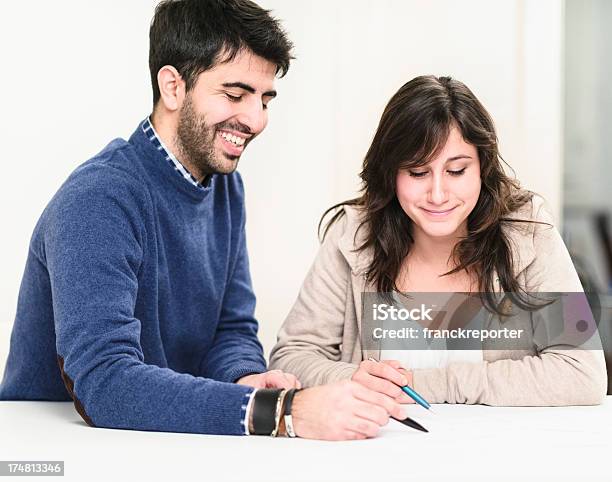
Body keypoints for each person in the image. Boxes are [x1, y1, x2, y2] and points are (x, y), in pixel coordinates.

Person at [0, 0, 405, 441]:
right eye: (235, 95)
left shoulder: (224, 185)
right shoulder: (99, 199)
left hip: (158, 442)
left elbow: (230, 329)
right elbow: (104, 384)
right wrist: (282, 412)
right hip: (58, 446)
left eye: (264, 99)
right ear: (172, 87)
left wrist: (245, 377)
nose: (255, 120)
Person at [270, 75, 608, 406]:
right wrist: (352, 379)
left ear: (482, 167)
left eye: (456, 170)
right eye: (417, 173)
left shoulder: (529, 230)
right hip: (376, 452)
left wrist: (424, 384)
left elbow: (582, 373)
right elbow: (291, 357)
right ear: (391, 173)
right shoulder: (353, 234)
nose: (437, 194)